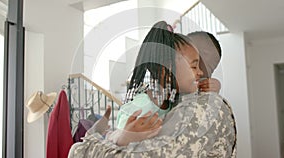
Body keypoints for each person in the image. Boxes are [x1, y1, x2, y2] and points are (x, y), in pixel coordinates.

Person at [68, 21, 236, 157]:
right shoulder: (155, 103)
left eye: (210, 67)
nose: (203, 72)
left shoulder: (200, 107)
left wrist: (83, 148)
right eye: (195, 62)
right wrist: (118, 137)